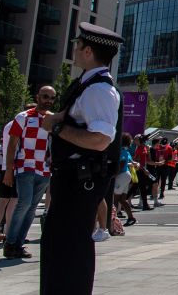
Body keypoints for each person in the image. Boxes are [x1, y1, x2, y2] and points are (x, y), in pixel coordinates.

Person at [39, 23, 123, 295]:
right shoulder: (87, 85)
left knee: (70, 249)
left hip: (80, 179)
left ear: (88, 50)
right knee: (60, 247)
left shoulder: (99, 89)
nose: (74, 49)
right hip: (71, 178)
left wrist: (57, 127)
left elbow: (101, 139)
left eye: (78, 45)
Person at [1, 86, 55, 259]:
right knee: (24, 203)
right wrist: (9, 170)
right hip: (25, 166)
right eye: (45, 96)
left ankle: (18, 243)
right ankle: (10, 243)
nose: (48, 100)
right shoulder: (23, 117)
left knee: (31, 208)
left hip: (44, 169)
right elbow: (12, 144)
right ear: (38, 97)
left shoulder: (52, 119)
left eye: (52, 98)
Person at [113, 133, 137, 227]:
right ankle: (131, 218)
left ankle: (112, 220)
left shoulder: (121, 151)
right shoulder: (126, 151)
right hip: (127, 175)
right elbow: (130, 162)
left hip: (121, 175)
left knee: (115, 199)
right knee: (123, 199)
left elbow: (122, 163)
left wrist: (114, 175)